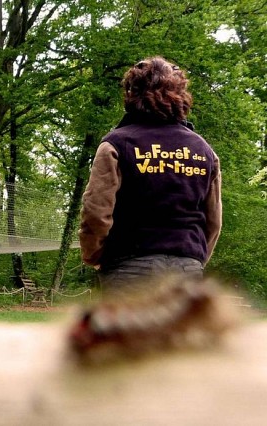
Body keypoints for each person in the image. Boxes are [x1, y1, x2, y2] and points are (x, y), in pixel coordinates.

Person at [79, 56, 222, 291]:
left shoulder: (116, 144)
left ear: (132, 93)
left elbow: (96, 211)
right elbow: (213, 220)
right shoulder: (204, 150)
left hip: (128, 268)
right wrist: (195, 258)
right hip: (187, 270)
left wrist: (93, 255)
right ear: (181, 93)